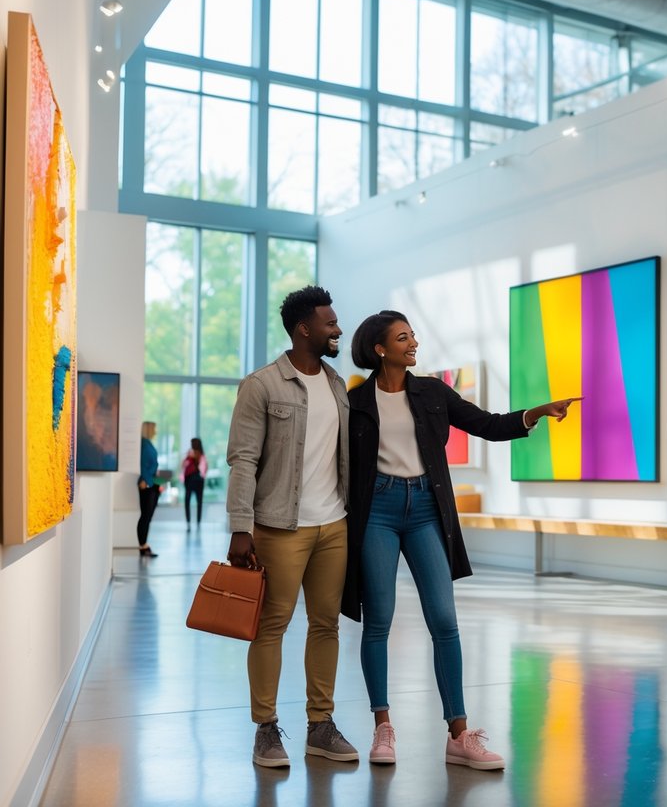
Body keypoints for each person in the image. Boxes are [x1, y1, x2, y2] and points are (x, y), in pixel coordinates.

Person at [341, 310, 580, 769]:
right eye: (403, 337)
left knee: (444, 621)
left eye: (412, 335)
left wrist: (535, 413)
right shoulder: (356, 402)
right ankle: (383, 728)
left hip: (427, 509)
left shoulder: (431, 391)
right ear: (379, 348)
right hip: (379, 511)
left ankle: (458, 734)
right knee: (380, 621)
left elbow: (487, 424)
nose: (413, 343)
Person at [225, 285, 358, 769]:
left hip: (334, 525)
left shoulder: (338, 384)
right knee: (271, 626)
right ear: (305, 328)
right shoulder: (262, 385)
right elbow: (242, 458)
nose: (337, 329)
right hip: (280, 525)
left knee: (326, 625)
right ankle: (265, 729)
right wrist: (241, 527)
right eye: (330, 322)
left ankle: (320, 726)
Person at [137, 421, 160, 558]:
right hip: (146, 483)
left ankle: (144, 544)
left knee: (148, 515)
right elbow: (142, 464)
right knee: (145, 516)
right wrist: (145, 480)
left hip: (151, 482)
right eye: (154, 429)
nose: (155, 432)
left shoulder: (148, 443)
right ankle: (143, 545)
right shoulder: (144, 444)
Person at [181, 437, 208, 530]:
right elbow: (204, 470)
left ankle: (190, 522)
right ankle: (197, 522)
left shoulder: (193, 455)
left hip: (191, 480)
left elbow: (183, 465)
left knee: (188, 501)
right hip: (198, 480)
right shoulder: (201, 455)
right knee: (198, 502)